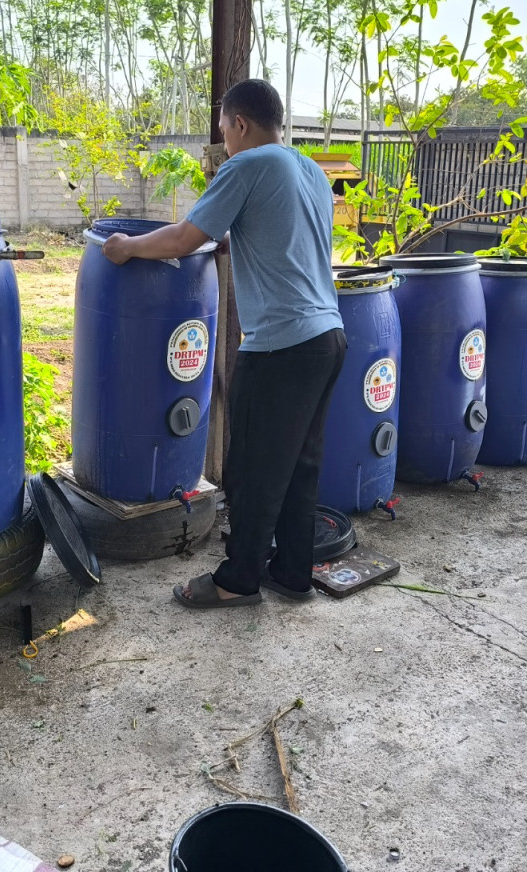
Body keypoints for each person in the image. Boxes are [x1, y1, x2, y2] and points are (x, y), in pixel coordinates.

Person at [102, 78, 346, 608]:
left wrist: (125, 247)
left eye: (225, 132)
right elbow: (277, 236)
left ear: (240, 123)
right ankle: (293, 573)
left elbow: (186, 236)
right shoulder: (310, 172)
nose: (225, 145)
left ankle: (237, 581)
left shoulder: (249, 164)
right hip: (328, 337)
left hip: (282, 344)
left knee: (254, 467)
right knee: (300, 465)